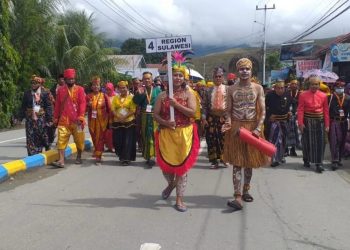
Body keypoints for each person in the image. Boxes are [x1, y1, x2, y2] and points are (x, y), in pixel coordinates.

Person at [222, 58, 268, 210]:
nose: (244, 71)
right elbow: (227, 111)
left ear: (251, 70)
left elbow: (262, 111)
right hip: (236, 128)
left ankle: (246, 190)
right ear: (237, 71)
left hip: (252, 127)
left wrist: (258, 128)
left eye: (247, 69)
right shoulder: (231, 89)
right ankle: (237, 196)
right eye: (241, 69)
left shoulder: (258, 88)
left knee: (249, 162)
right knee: (237, 162)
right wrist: (228, 123)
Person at [153, 59, 199, 212]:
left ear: (184, 78)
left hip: (184, 134)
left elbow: (193, 112)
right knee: (166, 168)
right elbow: (155, 115)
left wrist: (176, 105)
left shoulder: (189, 94)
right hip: (166, 134)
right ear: (170, 78)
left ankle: (179, 199)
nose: (177, 78)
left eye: (180, 75)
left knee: (182, 168)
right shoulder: (162, 95)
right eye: (175, 75)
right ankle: (171, 184)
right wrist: (166, 123)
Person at [52, 68, 86, 168]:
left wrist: (81, 116)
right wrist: (55, 117)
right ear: (65, 79)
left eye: (72, 79)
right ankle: (61, 160)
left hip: (77, 120)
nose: (71, 81)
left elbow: (82, 103)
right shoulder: (61, 90)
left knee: (79, 140)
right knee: (61, 139)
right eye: (69, 79)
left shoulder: (80, 89)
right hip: (64, 119)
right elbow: (57, 105)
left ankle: (79, 156)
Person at [297, 76, 330, 173]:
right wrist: (300, 123)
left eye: (316, 84)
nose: (314, 86)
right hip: (307, 121)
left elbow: (326, 111)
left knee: (320, 143)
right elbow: (300, 109)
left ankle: (319, 163)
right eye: (312, 84)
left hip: (320, 121)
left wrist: (327, 125)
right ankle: (306, 159)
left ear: (319, 85)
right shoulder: (303, 95)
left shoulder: (324, 95)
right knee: (307, 142)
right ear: (309, 85)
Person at [133, 72, 162, 167]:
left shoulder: (158, 90)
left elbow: (162, 102)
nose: (147, 80)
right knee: (146, 135)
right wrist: (138, 94)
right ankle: (149, 156)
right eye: (145, 79)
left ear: (152, 79)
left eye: (149, 78)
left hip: (155, 116)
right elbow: (135, 102)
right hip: (144, 116)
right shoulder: (141, 90)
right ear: (143, 80)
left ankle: (155, 156)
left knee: (155, 135)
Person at [201, 67, 228, 169]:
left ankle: (224, 159)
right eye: (216, 76)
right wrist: (203, 118)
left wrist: (229, 119)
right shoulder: (208, 90)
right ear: (213, 78)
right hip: (211, 119)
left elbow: (231, 105)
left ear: (223, 77)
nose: (218, 78)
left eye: (219, 76)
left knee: (224, 139)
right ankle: (214, 161)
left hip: (223, 118)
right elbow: (204, 106)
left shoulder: (228, 89)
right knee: (211, 140)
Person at [20, 75, 53, 156]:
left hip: (41, 118)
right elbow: (23, 106)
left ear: (39, 83)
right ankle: (32, 154)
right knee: (30, 135)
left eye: (35, 83)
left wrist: (49, 119)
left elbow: (48, 106)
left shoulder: (45, 92)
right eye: (32, 83)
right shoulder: (27, 93)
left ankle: (47, 146)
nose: (33, 85)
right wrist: (19, 117)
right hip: (30, 118)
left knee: (42, 135)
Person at [264, 80, 291, 167]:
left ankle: (281, 155)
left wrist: (290, 112)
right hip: (274, 121)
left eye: (282, 88)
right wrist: (269, 116)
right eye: (278, 88)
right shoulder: (269, 95)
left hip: (284, 121)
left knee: (283, 140)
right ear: (274, 88)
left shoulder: (287, 94)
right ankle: (274, 158)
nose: (280, 90)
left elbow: (291, 105)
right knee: (274, 140)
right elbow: (264, 107)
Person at [111, 81, 137, 165]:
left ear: (127, 88)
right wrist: (119, 117)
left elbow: (133, 110)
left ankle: (126, 159)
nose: (122, 89)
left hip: (129, 121)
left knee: (127, 141)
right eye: (120, 88)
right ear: (118, 89)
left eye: (124, 87)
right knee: (117, 141)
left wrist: (124, 117)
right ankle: (121, 155)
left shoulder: (131, 97)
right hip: (117, 122)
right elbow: (113, 109)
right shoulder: (115, 98)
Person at [86, 76, 110, 165]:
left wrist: (110, 121)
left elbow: (109, 108)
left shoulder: (104, 96)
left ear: (100, 87)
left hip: (102, 122)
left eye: (97, 85)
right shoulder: (88, 96)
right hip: (92, 121)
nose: (96, 87)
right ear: (91, 87)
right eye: (94, 85)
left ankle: (98, 157)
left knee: (100, 138)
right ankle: (97, 152)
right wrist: (88, 105)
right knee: (94, 137)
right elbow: (83, 109)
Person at [328, 80, 350, 170]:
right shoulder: (330, 98)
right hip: (334, 122)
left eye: (342, 87)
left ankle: (339, 158)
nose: (340, 88)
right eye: (338, 87)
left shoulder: (348, 98)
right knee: (334, 141)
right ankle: (334, 161)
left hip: (344, 122)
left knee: (342, 141)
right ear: (335, 87)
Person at [285, 79, 301, 156]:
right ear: (290, 85)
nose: (294, 85)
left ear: (298, 85)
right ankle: (286, 150)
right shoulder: (286, 93)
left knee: (295, 133)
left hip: (297, 116)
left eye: (295, 84)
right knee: (287, 132)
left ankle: (293, 149)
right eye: (292, 84)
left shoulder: (301, 94)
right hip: (287, 116)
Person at [104, 82, 116, 153]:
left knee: (113, 132)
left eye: (109, 89)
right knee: (107, 132)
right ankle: (108, 146)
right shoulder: (104, 96)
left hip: (114, 118)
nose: (108, 91)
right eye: (106, 89)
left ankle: (113, 146)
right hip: (105, 117)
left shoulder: (116, 97)